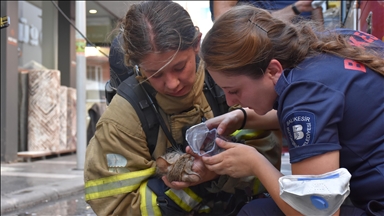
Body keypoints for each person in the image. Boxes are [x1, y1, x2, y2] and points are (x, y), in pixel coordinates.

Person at [84, 1, 282, 215]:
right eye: (155, 74)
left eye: (179, 67)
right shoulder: (121, 121)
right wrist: (196, 184)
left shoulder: (227, 84)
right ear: (137, 66)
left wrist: (220, 171)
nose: (172, 83)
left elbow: (267, 159)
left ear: (197, 44)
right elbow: (114, 205)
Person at [198, 4, 384, 216]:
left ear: (273, 70)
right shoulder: (328, 44)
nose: (231, 102)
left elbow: (319, 212)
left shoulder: (304, 95)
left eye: (234, 90)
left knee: (255, 213)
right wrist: (241, 118)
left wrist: (255, 163)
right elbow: (321, 117)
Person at [210, 0, 324, 23]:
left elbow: (314, 7)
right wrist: (292, 10)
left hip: (304, 51)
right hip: (260, 56)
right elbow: (222, 16)